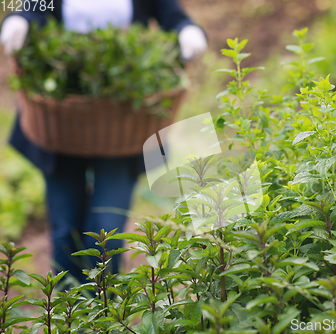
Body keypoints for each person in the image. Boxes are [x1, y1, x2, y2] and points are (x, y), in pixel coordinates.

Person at [0, 0, 207, 283]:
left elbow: (174, 16)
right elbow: (35, 8)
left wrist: (189, 32)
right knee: (66, 231)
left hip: (124, 121)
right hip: (62, 123)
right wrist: (20, 21)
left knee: (106, 234)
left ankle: (103, 315)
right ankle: (69, 316)